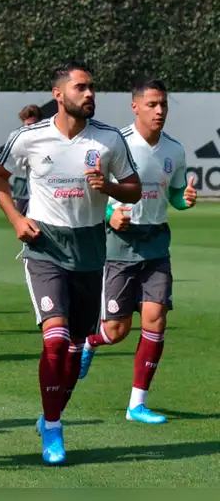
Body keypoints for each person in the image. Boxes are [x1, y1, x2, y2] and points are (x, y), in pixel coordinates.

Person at [0, 60, 141, 465]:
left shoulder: (108, 139)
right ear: (59, 94)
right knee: (55, 343)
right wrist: (17, 219)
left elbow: (133, 189)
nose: (89, 94)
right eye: (80, 87)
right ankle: (54, 429)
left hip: (91, 251)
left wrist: (108, 186)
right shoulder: (30, 137)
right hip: (45, 248)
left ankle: (50, 414)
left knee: (73, 352)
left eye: (91, 87)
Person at [78, 79, 197, 424]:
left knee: (156, 319)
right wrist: (109, 214)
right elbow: (93, 192)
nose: (159, 111)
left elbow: (174, 195)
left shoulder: (174, 150)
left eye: (163, 105)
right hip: (118, 247)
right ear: (136, 107)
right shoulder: (118, 144)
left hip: (156, 244)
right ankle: (90, 342)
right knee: (116, 332)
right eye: (152, 104)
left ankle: (137, 404)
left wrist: (184, 201)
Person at [12, 105, 43, 215]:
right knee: (23, 221)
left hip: (42, 183)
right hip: (23, 183)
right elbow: (10, 163)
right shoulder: (16, 136)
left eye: (35, 125)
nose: (31, 128)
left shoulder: (47, 137)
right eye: (28, 125)